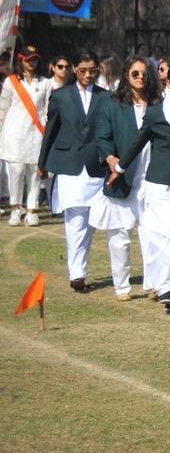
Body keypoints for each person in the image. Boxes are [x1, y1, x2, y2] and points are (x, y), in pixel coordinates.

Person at [108, 61, 170, 311]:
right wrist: (119, 168)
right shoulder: (155, 113)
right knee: (167, 237)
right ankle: (165, 287)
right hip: (160, 184)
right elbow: (137, 142)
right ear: (168, 83)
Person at [38, 52, 110, 292]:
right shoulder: (60, 96)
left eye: (93, 70)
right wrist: (42, 163)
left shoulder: (106, 97)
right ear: (74, 70)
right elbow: (51, 129)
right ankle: (77, 273)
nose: (88, 75)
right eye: (83, 70)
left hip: (96, 165)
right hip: (69, 165)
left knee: (90, 222)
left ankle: (81, 267)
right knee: (75, 220)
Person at [89, 57, 155, 300]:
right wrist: (110, 159)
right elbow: (102, 138)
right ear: (126, 75)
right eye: (135, 73)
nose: (140, 77)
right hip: (122, 177)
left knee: (152, 235)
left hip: (152, 180)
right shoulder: (113, 104)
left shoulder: (158, 103)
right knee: (120, 237)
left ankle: (152, 284)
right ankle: (122, 286)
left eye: (144, 73)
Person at [1, 45, 52, 226]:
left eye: (35, 59)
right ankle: (15, 208)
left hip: (36, 133)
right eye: (28, 59)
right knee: (16, 171)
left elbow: (47, 110)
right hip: (14, 133)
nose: (32, 62)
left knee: (34, 173)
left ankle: (31, 210)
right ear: (21, 59)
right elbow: (3, 109)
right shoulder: (11, 81)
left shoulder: (46, 83)